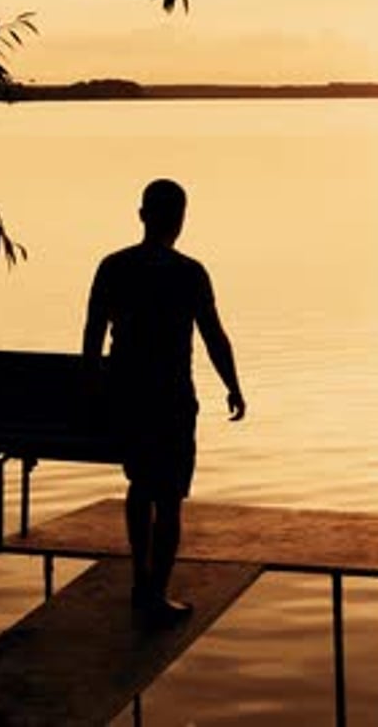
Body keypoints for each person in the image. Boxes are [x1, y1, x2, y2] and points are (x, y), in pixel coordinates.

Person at [82, 179, 246, 626]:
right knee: (169, 497)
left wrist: (93, 385)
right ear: (180, 220)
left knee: (141, 486)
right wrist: (233, 385)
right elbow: (213, 335)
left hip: (127, 396)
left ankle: (141, 580)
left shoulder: (113, 266)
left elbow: (93, 332)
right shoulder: (189, 273)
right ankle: (155, 592)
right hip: (171, 397)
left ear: (142, 215)